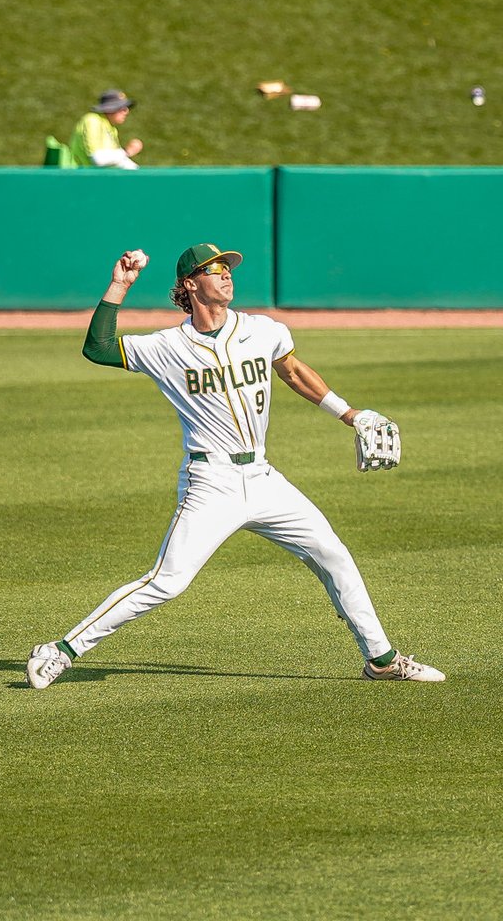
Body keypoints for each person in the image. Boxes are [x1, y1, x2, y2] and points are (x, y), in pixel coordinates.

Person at [25, 243, 446, 690]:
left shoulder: (263, 330)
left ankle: (381, 659)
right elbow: (99, 348)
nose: (226, 274)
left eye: (228, 268)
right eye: (214, 269)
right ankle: (61, 650)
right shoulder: (166, 346)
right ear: (190, 284)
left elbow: (294, 372)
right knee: (167, 581)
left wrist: (351, 414)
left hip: (264, 479)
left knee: (333, 555)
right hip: (211, 483)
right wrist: (119, 286)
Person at [68, 90, 143, 170]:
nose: (126, 111)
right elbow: (97, 159)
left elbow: (118, 160)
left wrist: (140, 174)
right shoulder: (92, 120)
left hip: (96, 178)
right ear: (110, 108)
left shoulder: (111, 128)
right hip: (80, 178)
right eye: (122, 108)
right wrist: (126, 151)